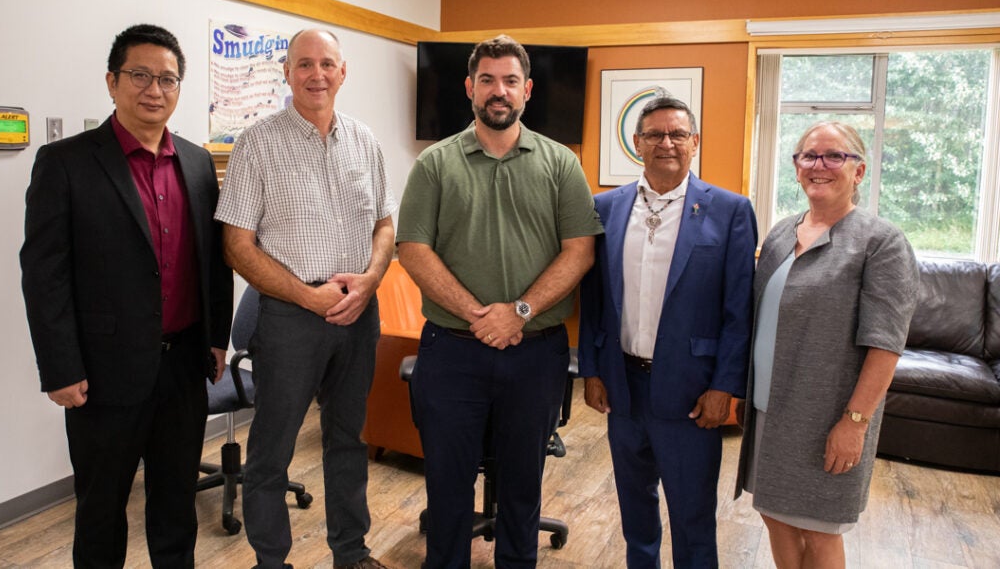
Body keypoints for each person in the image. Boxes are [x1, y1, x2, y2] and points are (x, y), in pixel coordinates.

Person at [20, 23, 233, 568]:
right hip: (102, 372)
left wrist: (216, 338)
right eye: (140, 75)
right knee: (101, 510)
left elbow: (213, 260)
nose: (154, 90)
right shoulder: (65, 162)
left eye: (167, 79)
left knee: (176, 505)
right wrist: (60, 368)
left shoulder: (197, 162)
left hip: (183, 366)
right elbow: (44, 276)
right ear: (112, 81)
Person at [396, 34, 602, 568]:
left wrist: (519, 313)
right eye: (487, 80)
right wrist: (478, 315)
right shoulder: (434, 164)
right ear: (469, 88)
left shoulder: (561, 164)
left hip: (535, 354)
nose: (499, 91)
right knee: (447, 487)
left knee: (522, 487)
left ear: (527, 90)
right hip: (452, 351)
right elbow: (413, 249)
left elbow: (579, 251)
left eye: (510, 80)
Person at [215, 28, 396, 569]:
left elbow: (385, 225)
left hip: (359, 313)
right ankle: (272, 561)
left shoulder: (364, 140)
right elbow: (236, 245)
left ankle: (351, 553)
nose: (317, 74)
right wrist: (308, 297)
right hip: (290, 318)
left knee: (348, 439)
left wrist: (371, 279)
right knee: (273, 449)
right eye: (304, 64)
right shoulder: (257, 143)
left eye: (327, 64)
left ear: (343, 72)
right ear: (287, 73)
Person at [578, 93, 757, 568]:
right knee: (635, 515)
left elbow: (738, 310)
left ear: (695, 142)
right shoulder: (605, 208)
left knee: (692, 519)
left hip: (691, 392)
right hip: (622, 387)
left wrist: (725, 386)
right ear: (637, 143)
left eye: (678, 134)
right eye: (655, 134)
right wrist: (591, 370)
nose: (667, 143)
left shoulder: (730, 211)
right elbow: (594, 301)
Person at [735, 121, 919, 568]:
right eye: (809, 155)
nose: (819, 165)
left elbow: (885, 345)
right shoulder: (781, 234)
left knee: (819, 529)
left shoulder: (881, 242)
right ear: (796, 166)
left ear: (859, 171)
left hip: (828, 419)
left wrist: (854, 422)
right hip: (769, 409)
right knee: (774, 515)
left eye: (835, 156)